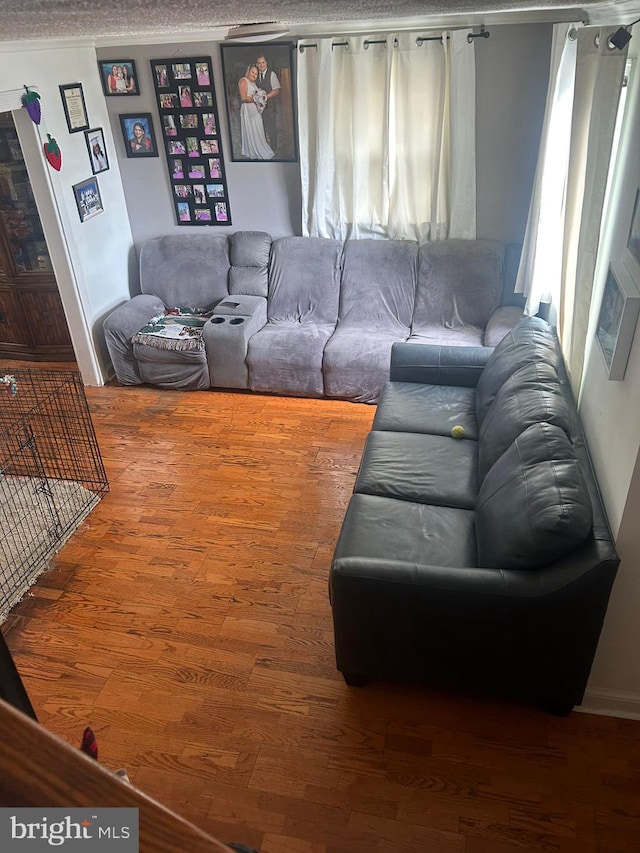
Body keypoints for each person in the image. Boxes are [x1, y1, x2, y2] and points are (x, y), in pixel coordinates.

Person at [238, 65, 273, 161]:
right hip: (248, 108)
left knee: (258, 128)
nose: (254, 75)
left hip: (255, 108)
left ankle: (260, 146)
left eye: (256, 74)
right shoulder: (243, 80)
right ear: (248, 71)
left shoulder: (253, 83)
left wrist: (260, 100)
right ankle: (252, 150)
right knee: (252, 128)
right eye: (252, 72)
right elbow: (244, 97)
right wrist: (256, 100)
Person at [255, 54, 280, 151]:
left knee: (272, 127)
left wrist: (266, 97)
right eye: (259, 63)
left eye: (263, 62)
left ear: (266, 63)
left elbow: (277, 89)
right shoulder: (255, 75)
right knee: (261, 127)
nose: (261, 65)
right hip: (258, 108)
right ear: (256, 64)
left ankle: (274, 146)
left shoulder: (272, 74)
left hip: (270, 107)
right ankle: (263, 146)